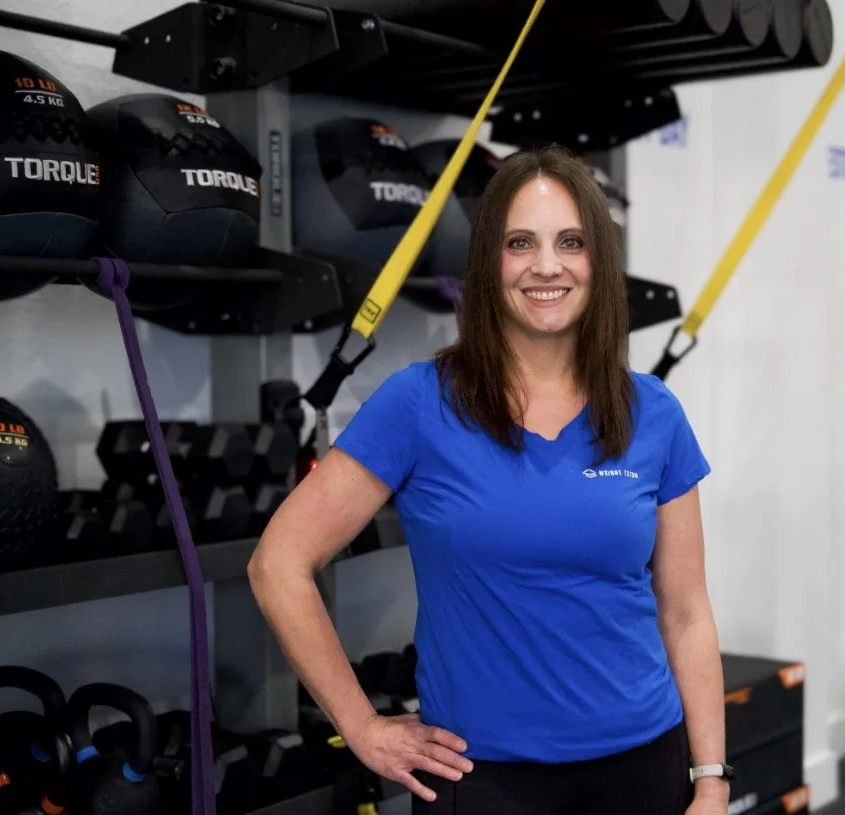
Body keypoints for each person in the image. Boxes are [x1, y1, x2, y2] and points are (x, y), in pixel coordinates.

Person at [248, 145, 728, 814]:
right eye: (519, 242)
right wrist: (360, 725)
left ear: (598, 263)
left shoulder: (652, 412)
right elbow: (279, 563)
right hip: (483, 779)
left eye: (571, 241)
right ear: (487, 263)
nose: (547, 265)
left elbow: (687, 613)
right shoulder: (418, 403)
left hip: (643, 765)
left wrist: (710, 777)